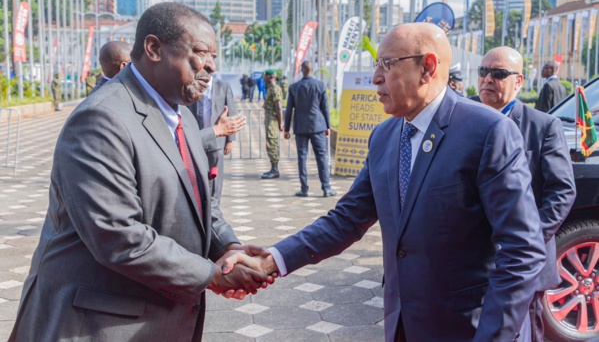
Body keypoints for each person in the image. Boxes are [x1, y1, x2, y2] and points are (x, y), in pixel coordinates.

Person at [227, 23, 546, 341]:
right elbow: (347, 219)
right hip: (402, 324)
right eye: (376, 64)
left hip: (467, 329)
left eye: (387, 64)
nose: (375, 77)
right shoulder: (385, 136)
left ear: (427, 68)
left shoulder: (487, 131)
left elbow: (522, 251)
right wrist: (270, 261)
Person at [9, 3, 271, 342]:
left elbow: (198, 202)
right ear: (154, 49)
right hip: (97, 325)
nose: (210, 66)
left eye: (214, 58)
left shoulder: (183, 117)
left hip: (160, 319)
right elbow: (116, 235)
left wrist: (228, 248)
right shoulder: (102, 119)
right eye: (201, 53)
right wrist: (212, 275)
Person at [477, 46, 576, 341]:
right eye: (483, 72)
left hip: (522, 262)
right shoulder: (463, 118)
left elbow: (562, 192)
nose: (487, 80)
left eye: (498, 73)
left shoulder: (543, 126)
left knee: (524, 331)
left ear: (518, 81)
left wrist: (527, 241)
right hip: (472, 260)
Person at [189, 75, 245, 207]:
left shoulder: (223, 86)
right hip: (199, 138)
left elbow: (230, 111)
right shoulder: (194, 85)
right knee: (198, 175)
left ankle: (214, 208)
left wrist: (230, 140)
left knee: (215, 179)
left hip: (218, 141)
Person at [284, 61, 336, 197]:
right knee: (321, 157)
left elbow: (289, 110)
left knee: (302, 157)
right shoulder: (320, 85)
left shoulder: (294, 87)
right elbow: (325, 107)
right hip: (318, 126)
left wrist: (286, 129)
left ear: (302, 70)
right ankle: (326, 188)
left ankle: (304, 189)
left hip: (300, 126)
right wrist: (328, 126)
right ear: (312, 70)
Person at [261, 69, 283, 179]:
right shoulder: (270, 88)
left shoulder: (274, 88)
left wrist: (281, 122)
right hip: (270, 120)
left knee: (272, 143)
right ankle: (273, 168)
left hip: (273, 121)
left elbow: (278, 107)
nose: (263, 78)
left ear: (270, 77)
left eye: (264, 76)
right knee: (270, 143)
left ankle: (275, 170)